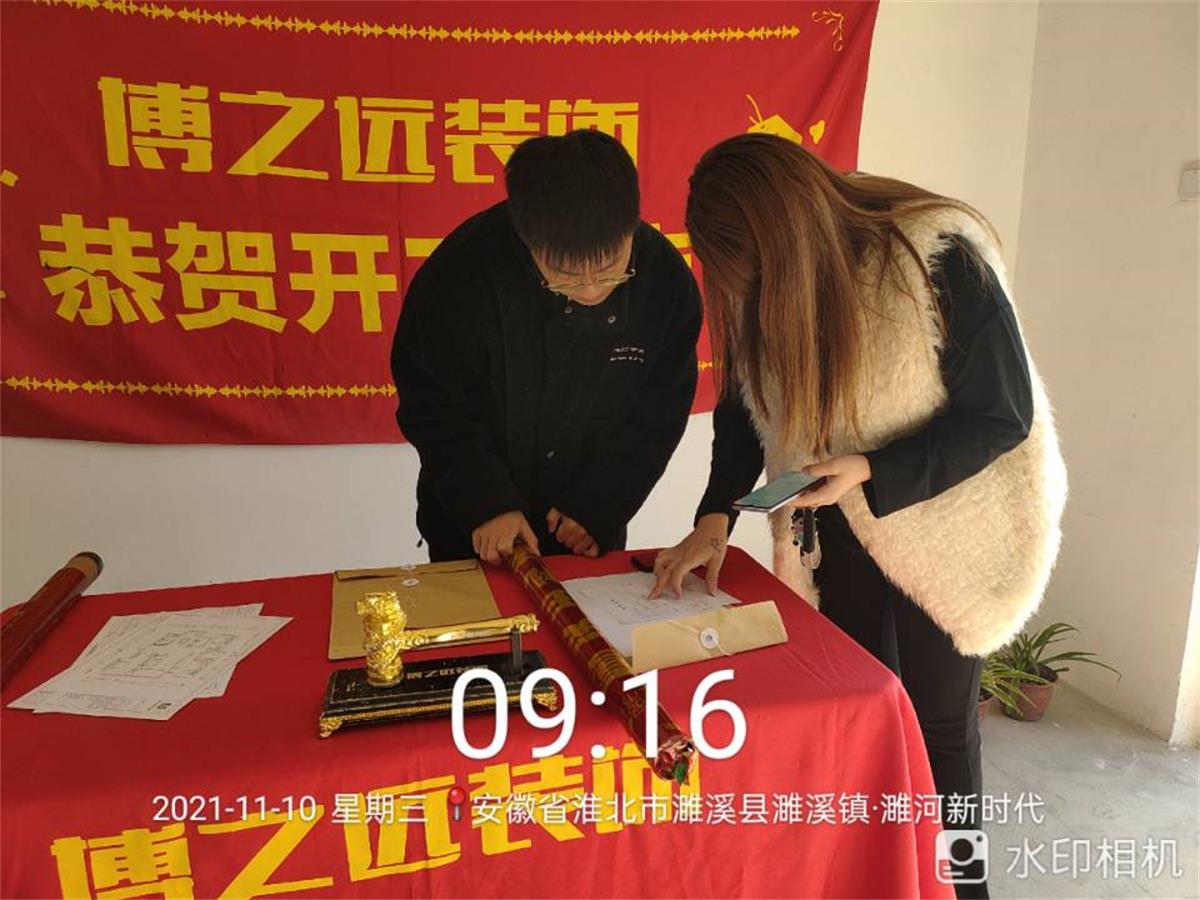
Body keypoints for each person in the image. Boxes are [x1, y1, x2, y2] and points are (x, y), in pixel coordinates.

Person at [651, 133, 1067, 899]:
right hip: (837, 524)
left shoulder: (935, 255)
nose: (755, 292)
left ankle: (961, 891)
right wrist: (715, 517)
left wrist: (873, 466)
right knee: (857, 710)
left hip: (948, 523)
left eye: (762, 272)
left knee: (939, 729)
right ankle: (879, 880)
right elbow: (742, 410)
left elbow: (1002, 415)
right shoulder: (762, 281)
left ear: (795, 227)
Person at [392, 129, 702, 565]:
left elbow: (658, 413)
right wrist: (486, 502)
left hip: (586, 527)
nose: (592, 290)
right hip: (475, 525)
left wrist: (604, 502)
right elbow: (434, 405)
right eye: (566, 275)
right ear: (527, 238)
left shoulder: (665, 282)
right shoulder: (460, 275)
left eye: (610, 270)